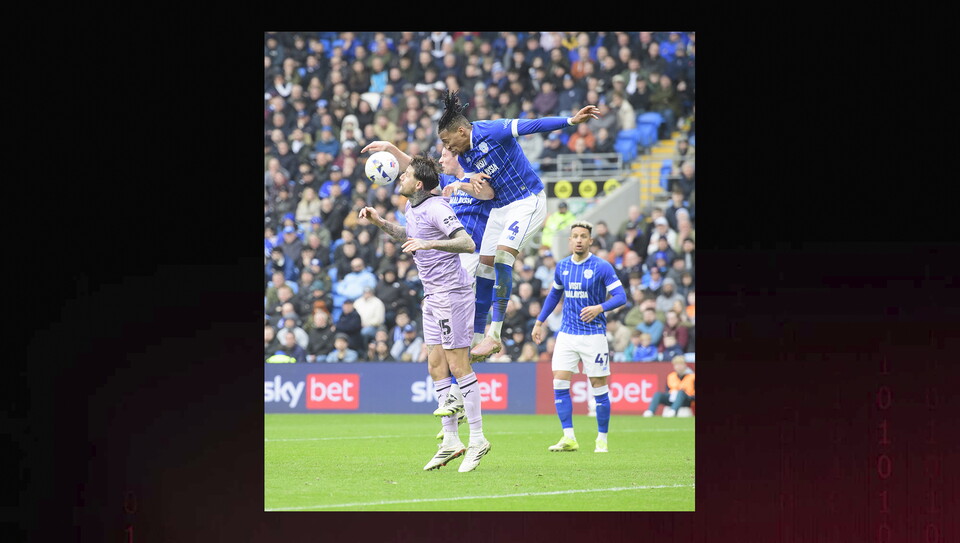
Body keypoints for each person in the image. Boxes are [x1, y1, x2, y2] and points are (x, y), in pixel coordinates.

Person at [437, 89, 601, 362]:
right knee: (484, 267)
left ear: (461, 131)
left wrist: (571, 121)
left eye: (447, 140)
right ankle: (477, 336)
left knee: (502, 257)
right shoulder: (464, 156)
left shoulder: (493, 130)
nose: (446, 147)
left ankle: (495, 335)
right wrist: (469, 182)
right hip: (500, 207)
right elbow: (483, 187)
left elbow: (532, 125)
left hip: (526, 200)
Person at [358, 154, 491, 472]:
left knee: (458, 365)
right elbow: (409, 236)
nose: (400, 177)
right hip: (432, 296)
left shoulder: (438, 208)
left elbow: (467, 243)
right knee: (435, 366)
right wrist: (379, 222)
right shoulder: (411, 207)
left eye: (405, 174)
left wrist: (430, 244)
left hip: (452, 294)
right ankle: (450, 441)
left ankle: (478, 439)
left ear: (419, 184)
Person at [531, 221, 626, 453]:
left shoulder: (602, 266)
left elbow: (621, 296)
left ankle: (602, 439)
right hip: (567, 334)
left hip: (593, 335)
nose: (579, 240)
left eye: (583, 236)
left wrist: (600, 308)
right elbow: (554, 296)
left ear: (590, 240)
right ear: (570, 240)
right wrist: (539, 322)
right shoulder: (562, 266)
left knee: (598, 386)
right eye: (575, 236)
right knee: (559, 382)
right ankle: (569, 437)